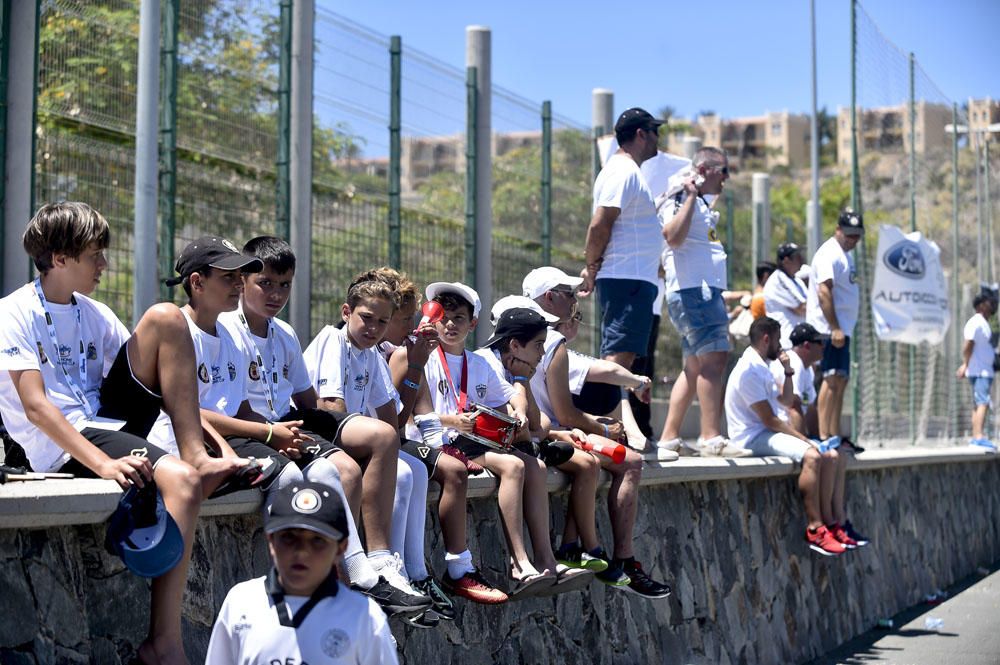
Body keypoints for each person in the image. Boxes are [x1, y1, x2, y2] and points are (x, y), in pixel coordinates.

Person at [0, 202, 231, 664]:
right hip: (64, 442)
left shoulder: (94, 311)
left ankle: (195, 455)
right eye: (95, 255)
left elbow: (165, 385)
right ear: (60, 259)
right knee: (183, 485)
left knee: (166, 316)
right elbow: (37, 407)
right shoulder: (14, 312)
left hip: (104, 421)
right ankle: (163, 642)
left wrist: (218, 446)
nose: (105, 264)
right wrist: (103, 464)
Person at [216, 238, 431, 619]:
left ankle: (378, 565)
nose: (275, 294)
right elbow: (242, 406)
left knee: (369, 456)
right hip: (257, 430)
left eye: (284, 285)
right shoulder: (228, 329)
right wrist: (281, 435)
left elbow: (308, 401)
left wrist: (322, 435)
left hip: (292, 423)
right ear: (242, 281)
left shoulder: (284, 333)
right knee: (344, 466)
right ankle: (355, 577)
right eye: (265, 283)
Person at [418, 281, 591, 599]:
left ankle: (546, 559)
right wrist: (453, 420)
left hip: (471, 441)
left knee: (535, 465)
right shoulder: (424, 357)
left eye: (459, 318)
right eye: (443, 316)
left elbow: (512, 395)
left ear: (472, 324)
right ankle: (518, 562)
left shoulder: (478, 363)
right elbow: (416, 412)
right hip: (441, 441)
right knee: (513, 466)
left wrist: (519, 412)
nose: (450, 324)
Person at [523, 267, 673, 598]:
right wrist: (604, 425)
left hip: (541, 432)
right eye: (570, 296)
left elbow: (599, 370)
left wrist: (634, 383)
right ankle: (617, 559)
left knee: (602, 453)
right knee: (627, 460)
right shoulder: (551, 340)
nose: (575, 303)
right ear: (550, 298)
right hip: (546, 437)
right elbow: (565, 414)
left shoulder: (528, 333)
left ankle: (575, 547)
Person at [377, 268, 509, 606]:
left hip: (411, 440)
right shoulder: (407, 352)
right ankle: (424, 570)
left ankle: (420, 572)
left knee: (504, 465)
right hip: (382, 439)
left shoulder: (417, 351)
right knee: (434, 471)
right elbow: (395, 420)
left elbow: (420, 413)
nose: (415, 325)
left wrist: (440, 443)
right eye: (433, 315)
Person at [205, 481, 398, 664]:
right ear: (271, 541)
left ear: (341, 548)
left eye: (317, 540)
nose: (301, 552)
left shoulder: (364, 617)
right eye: (289, 537)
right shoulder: (242, 601)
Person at [723, 317, 850, 556]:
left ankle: (831, 523)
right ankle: (814, 528)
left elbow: (786, 400)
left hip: (764, 431)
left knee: (826, 454)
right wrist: (804, 440)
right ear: (766, 339)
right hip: (750, 437)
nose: (781, 346)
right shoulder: (748, 371)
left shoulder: (761, 365)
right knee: (812, 456)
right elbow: (770, 419)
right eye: (779, 340)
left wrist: (788, 371)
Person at [655, 147, 749, 459]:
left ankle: (669, 436)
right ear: (707, 169)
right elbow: (671, 236)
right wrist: (692, 196)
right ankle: (711, 437)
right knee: (715, 359)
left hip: (699, 290)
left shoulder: (697, 196)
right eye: (724, 171)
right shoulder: (684, 194)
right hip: (696, 292)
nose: (727, 179)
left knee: (694, 366)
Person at [580, 107, 663, 371]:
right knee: (618, 360)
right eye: (655, 132)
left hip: (633, 280)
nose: (658, 138)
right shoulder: (623, 172)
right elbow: (599, 225)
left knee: (622, 360)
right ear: (641, 134)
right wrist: (591, 267)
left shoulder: (625, 171)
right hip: (628, 280)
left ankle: (614, 412)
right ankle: (603, 412)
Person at [774, 322, 869, 548]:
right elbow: (793, 409)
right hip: (784, 430)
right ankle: (824, 523)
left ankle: (838, 521)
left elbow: (811, 409)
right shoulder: (794, 364)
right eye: (820, 343)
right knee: (827, 457)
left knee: (838, 455)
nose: (824, 347)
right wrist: (807, 441)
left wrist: (822, 440)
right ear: (806, 346)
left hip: (797, 432)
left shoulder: (807, 368)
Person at [806, 208, 864, 444]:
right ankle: (823, 434)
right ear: (838, 230)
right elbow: (824, 292)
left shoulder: (845, 255)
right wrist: (835, 327)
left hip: (843, 329)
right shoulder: (829, 253)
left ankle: (834, 433)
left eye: (857, 235)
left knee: (841, 380)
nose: (853, 239)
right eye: (848, 234)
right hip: (829, 329)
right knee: (830, 380)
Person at [957, 293, 998, 450]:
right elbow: (968, 345)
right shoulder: (976, 322)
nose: (992, 307)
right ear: (981, 305)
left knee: (978, 403)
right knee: (983, 402)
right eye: (988, 304)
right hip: (979, 371)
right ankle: (979, 436)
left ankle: (976, 437)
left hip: (983, 370)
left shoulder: (984, 323)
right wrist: (965, 365)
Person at [763, 243, 809, 349]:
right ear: (786, 261)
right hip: (786, 343)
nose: (801, 259)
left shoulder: (796, 280)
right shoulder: (779, 280)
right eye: (797, 257)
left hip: (798, 342)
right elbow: (801, 308)